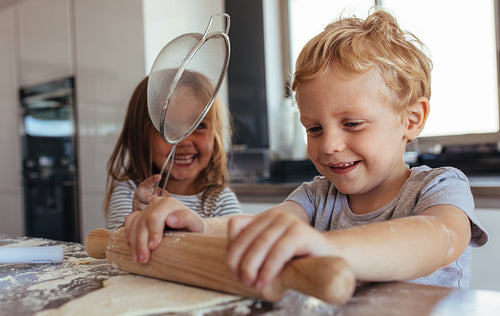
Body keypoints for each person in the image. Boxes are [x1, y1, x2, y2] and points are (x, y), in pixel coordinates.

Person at [123, 10, 488, 289]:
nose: (328, 145)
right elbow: (262, 228)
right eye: (314, 128)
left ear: (411, 119)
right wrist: (199, 226)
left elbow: (436, 238)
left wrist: (329, 247)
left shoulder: (438, 188)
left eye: (352, 124)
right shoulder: (317, 197)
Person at [104, 71, 242, 236]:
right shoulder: (131, 193)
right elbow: (118, 249)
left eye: (199, 126)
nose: (184, 141)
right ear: (140, 136)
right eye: (168, 127)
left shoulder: (220, 200)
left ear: (215, 134)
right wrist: (138, 220)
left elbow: (237, 247)